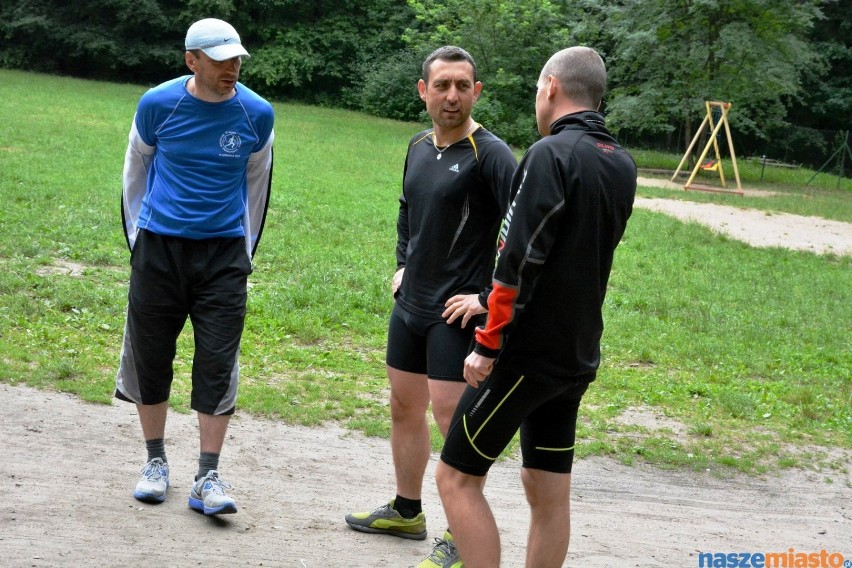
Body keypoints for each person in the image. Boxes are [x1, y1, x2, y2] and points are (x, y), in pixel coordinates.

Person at [435, 46, 637, 567]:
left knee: (455, 478)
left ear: (550, 86)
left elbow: (517, 258)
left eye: (536, 91)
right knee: (545, 489)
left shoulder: (551, 154)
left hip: (527, 358)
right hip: (576, 357)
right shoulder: (620, 163)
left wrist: (486, 344)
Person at [345, 46, 517, 567]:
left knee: (451, 422)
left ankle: (459, 537)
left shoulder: (492, 155)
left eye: (462, 86)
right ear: (423, 91)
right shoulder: (418, 146)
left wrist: (487, 298)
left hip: (455, 315)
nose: (451, 96)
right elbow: (407, 212)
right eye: (441, 85)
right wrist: (401, 264)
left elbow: (524, 234)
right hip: (410, 306)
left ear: (477, 92)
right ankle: (406, 510)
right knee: (403, 408)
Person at [115, 17, 275, 517]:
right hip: (159, 248)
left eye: (237, 58)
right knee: (151, 354)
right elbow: (135, 170)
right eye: (221, 58)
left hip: (223, 255)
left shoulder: (256, 114)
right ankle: (155, 462)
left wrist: (245, 250)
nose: (233, 66)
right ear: (192, 60)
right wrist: (139, 240)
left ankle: (208, 473)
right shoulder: (157, 104)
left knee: (217, 359)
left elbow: (257, 184)